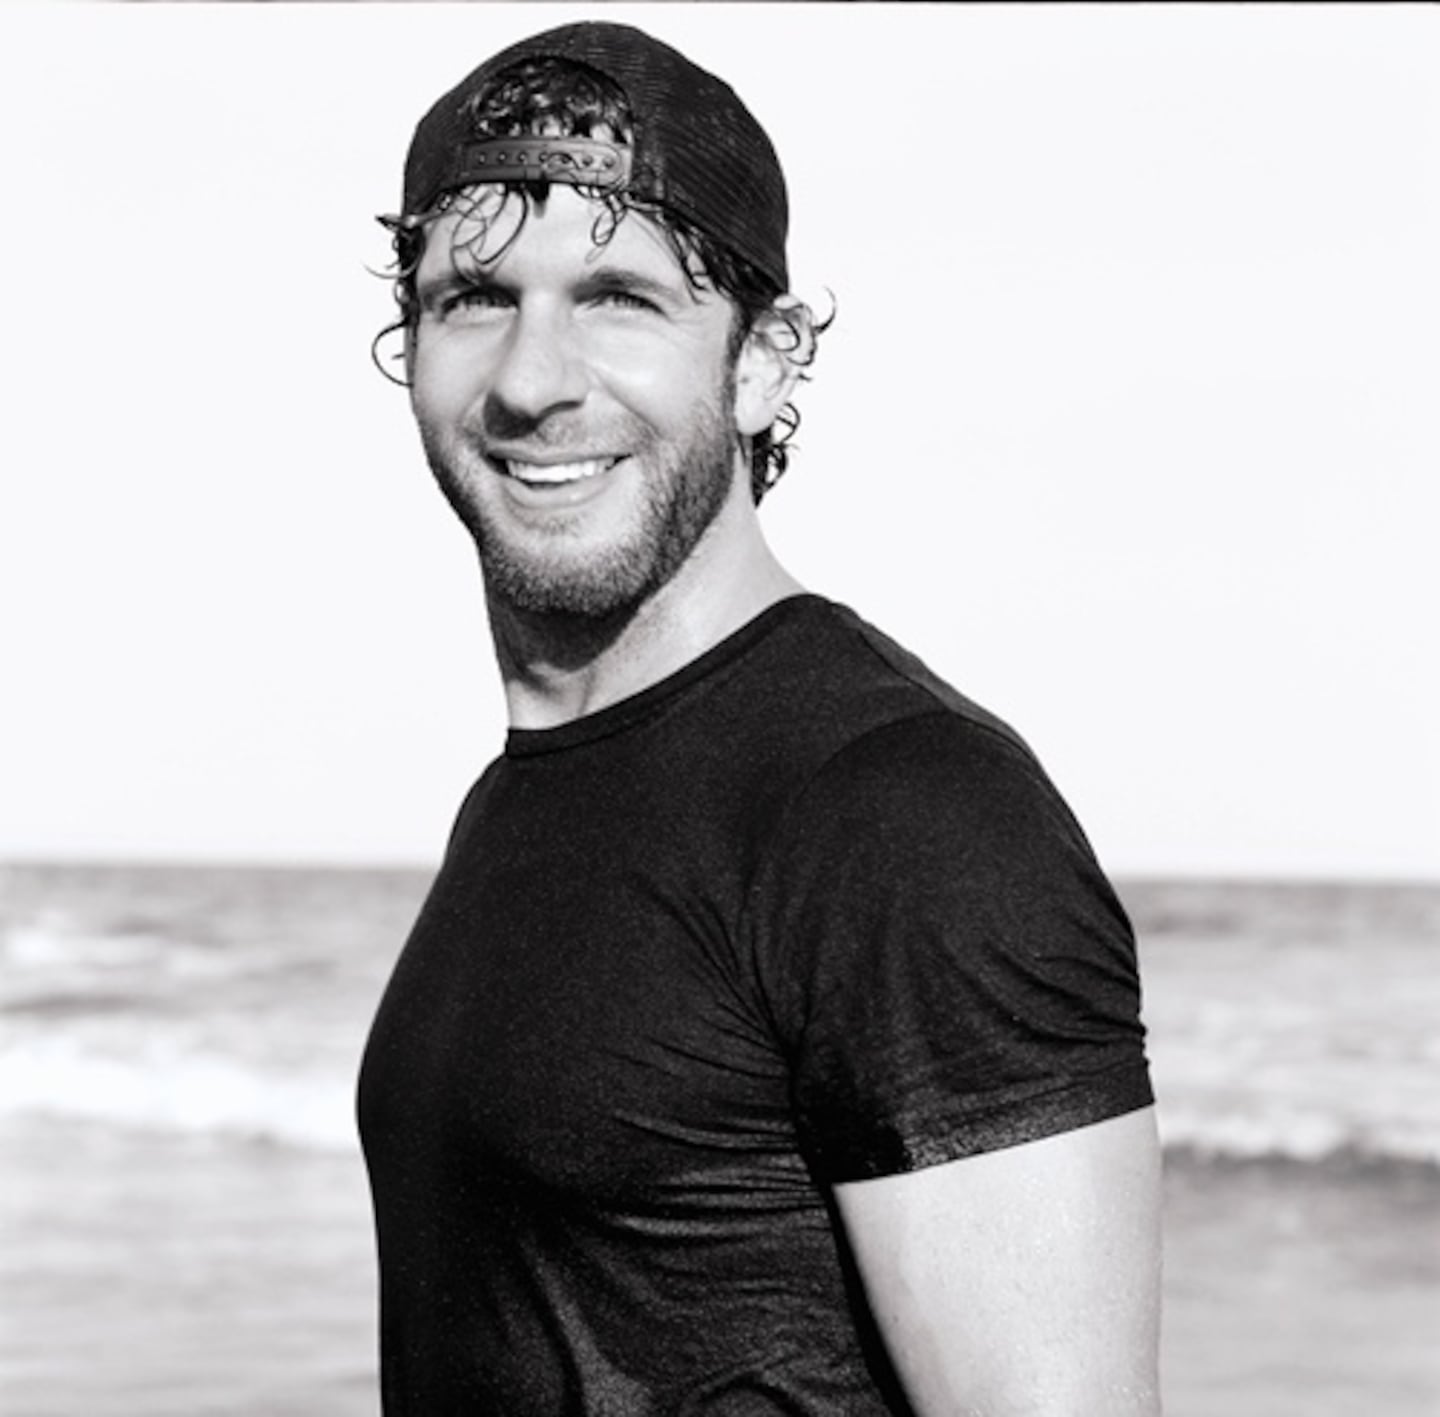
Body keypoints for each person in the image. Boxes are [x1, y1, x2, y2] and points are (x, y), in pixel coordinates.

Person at [357, 21, 1161, 1416]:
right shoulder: (532, 787)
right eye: (475, 298)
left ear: (762, 362)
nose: (534, 380)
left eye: (619, 298)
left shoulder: (901, 810)